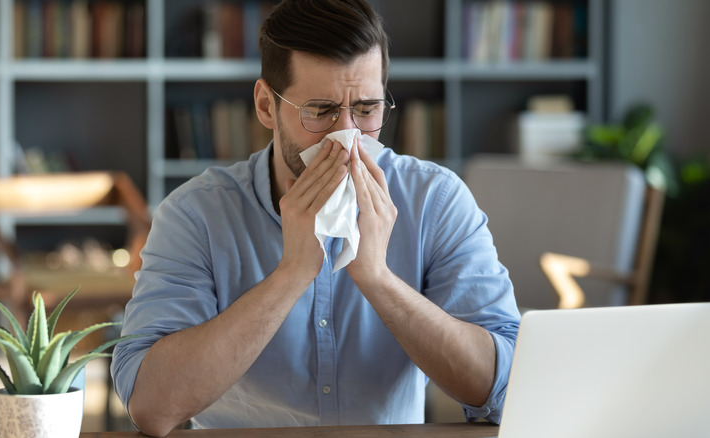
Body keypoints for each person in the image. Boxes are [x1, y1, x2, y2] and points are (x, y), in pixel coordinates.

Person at [111, 0, 520, 435]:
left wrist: (379, 279)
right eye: (321, 111)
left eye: (366, 110)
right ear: (267, 106)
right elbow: (151, 406)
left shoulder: (435, 200)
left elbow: (503, 388)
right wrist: (292, 273)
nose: (347, 138)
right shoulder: (196, 214)